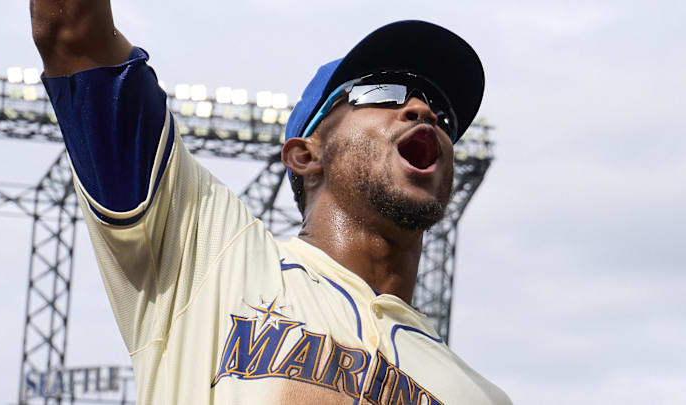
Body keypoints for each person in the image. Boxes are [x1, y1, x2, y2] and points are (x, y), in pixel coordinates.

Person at [31, 0, 512, 404]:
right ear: (306, 154)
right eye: (381, 90)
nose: (423, 109)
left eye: (443, 114)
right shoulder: (211, 256)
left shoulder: (482, 396)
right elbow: (73, 33)